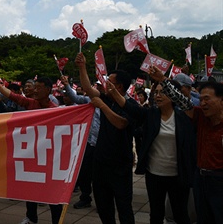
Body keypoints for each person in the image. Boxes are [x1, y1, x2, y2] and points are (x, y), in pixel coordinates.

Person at [148, 67, 223, 224]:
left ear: (221, 100)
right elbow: (180, 100)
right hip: (201, 179)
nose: (203, 103)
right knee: (203, 217)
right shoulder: (200, 116)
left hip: (219, 181)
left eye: (207, 99)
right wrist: (162, 80)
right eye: (201, 99)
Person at [0, 76, 64, 224]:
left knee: (51, 192)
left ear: (48, 90)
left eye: (38, 87)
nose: (35, 90)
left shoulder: (55, 110)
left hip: (48, 157)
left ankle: (56, 220)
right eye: (34, 87)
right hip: (31, 153)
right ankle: (31, 218)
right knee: (30, 188)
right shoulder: (31, 103)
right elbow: (12, 96)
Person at [75, 52, 137, 224]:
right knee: (103, 205)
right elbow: (88, 89)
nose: (105, 85)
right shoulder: (106, 99)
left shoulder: (131, 105)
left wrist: (102, 106)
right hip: (100, 161)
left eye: (110, 82)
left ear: (120, 87)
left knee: (124, 207)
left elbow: (120, 123)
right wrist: (82, 67)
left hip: (120, 164)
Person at [125, 79, 195, 224]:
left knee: (180, 214)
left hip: (178, 175)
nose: (158, 96)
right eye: (156, 92)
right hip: (154, 174)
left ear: (173, 94)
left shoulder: (184, 117)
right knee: (156, 214)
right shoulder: (151, 115)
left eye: (162, 92)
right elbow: (129, 107)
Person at [60, 75, 99, 210]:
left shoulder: (113, 103)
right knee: (84, 173)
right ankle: (85, 197)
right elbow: (76, 98)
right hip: (88, 143)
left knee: (100, 175)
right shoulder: (89, 100)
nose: (97, 89)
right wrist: (66, 85)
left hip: (103, 145)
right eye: (97, 86)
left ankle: (103, 200)